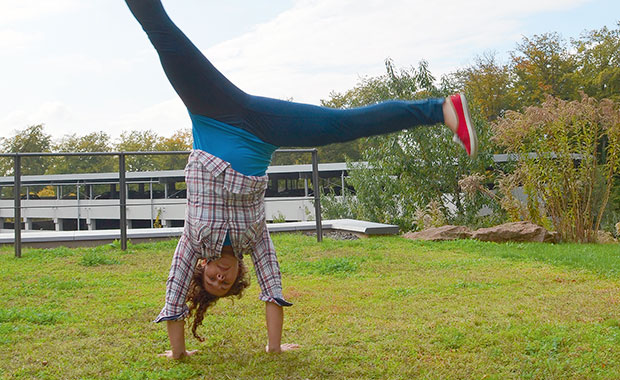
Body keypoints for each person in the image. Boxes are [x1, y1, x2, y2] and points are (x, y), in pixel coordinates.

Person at [125, 0, 478, 359]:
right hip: (263, 129)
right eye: (225, 283)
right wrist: (274, 346)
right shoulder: (254, 237)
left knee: (161, 32)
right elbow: (272, 287)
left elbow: (174, 293)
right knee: (342, 124)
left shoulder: (192, 240)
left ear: (202, 267)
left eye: (213, 278)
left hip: (212, 110)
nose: (220, 277)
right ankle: (441, 109)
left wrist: (178, 353)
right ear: (236, 275)